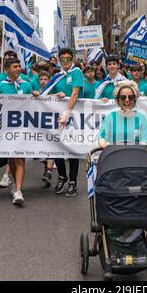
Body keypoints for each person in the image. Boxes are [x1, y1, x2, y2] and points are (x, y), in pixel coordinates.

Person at [0, 58, 38, 205]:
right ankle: (15, 185)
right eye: (15, 67)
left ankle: (18, 191)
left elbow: (36, 104)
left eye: (19, 66)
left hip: (22, 127)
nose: (18, 69)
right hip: (6, 129)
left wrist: (37, 95)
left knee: (19, 159)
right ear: (7, 70)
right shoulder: (0, 86)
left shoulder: (27, 85)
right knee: (11, 160)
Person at [49, 48, 84, 197]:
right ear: (59, 60)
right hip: (58, 117)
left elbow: (75, 94)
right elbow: (48, 94)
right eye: (62, 59)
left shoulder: (76, 72)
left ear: (73, 59)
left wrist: (67, 113)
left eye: (68, 59)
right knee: (57, 148)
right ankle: (62, 176)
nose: (65, 62)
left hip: (73, 116)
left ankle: (73, 182)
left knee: (71, 150)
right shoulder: (57, 76)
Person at [98, 80, 147, 148]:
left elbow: (146, 139)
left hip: (136, 155)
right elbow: (102, 137)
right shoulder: (110, 117)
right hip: (114, 155)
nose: (127, 100)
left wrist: (140, 145)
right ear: (118, 99)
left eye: (130, 97)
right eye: (123, 97)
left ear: (134, 99)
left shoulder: (142, 118)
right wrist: (105, 145)